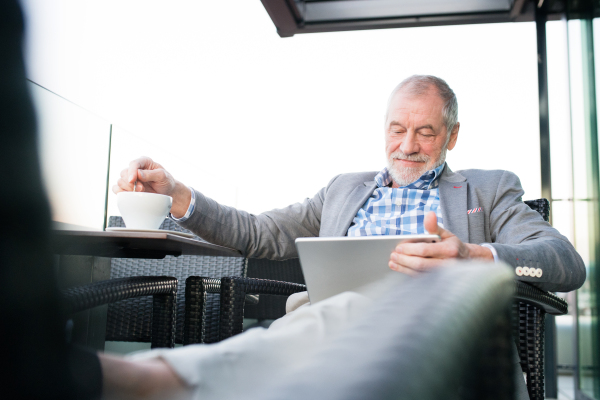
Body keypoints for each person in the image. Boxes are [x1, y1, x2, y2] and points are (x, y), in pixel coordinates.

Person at [105, 75, 586, 399]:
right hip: (325, 319)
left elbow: (565, 261)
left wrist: (475, 255)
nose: (407, 145)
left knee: (346, 313)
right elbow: (259, 232)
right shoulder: (342, 189)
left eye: (426, 132)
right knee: (325, 317)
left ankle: (166, 378)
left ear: (452, 136)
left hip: (429, 325)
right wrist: (178, 194)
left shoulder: (490, 188)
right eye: (397, 129)